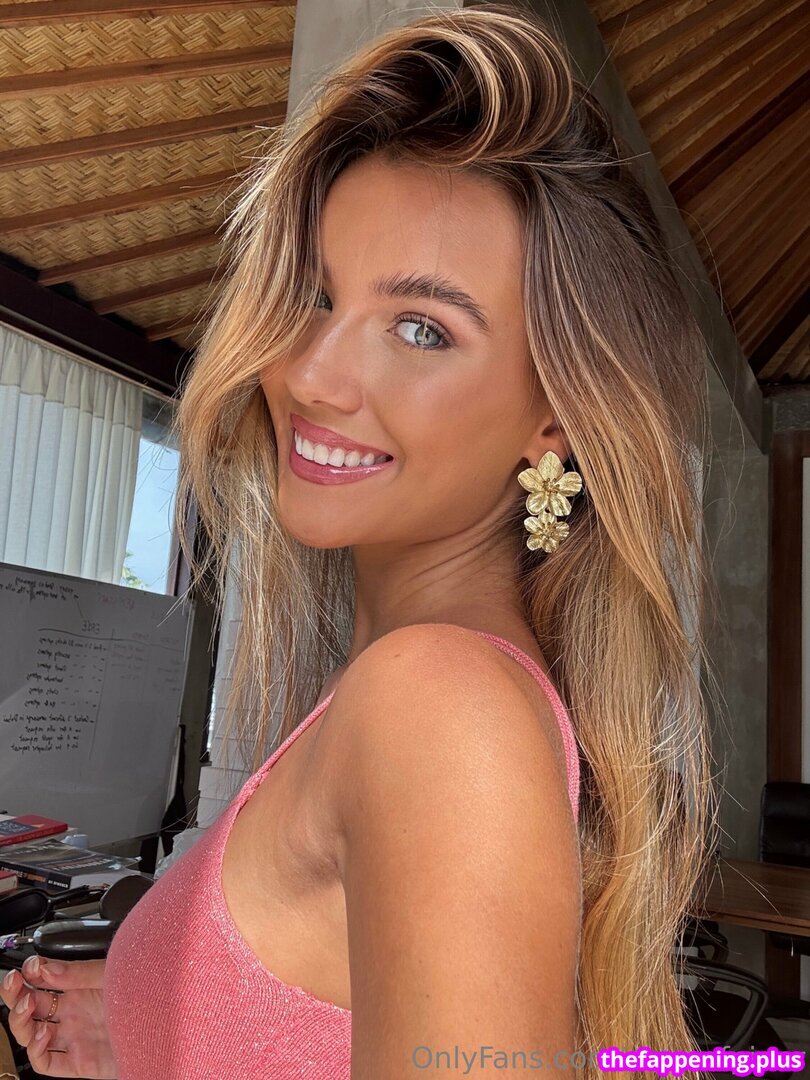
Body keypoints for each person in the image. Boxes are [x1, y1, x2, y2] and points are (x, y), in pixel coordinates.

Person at [0, 4, 720, 1077]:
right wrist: (158, 1014)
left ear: (555, 417)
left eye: (422, 329)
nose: (309, 372)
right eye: (317, 295)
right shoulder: (403, 693)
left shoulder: (439, 707)